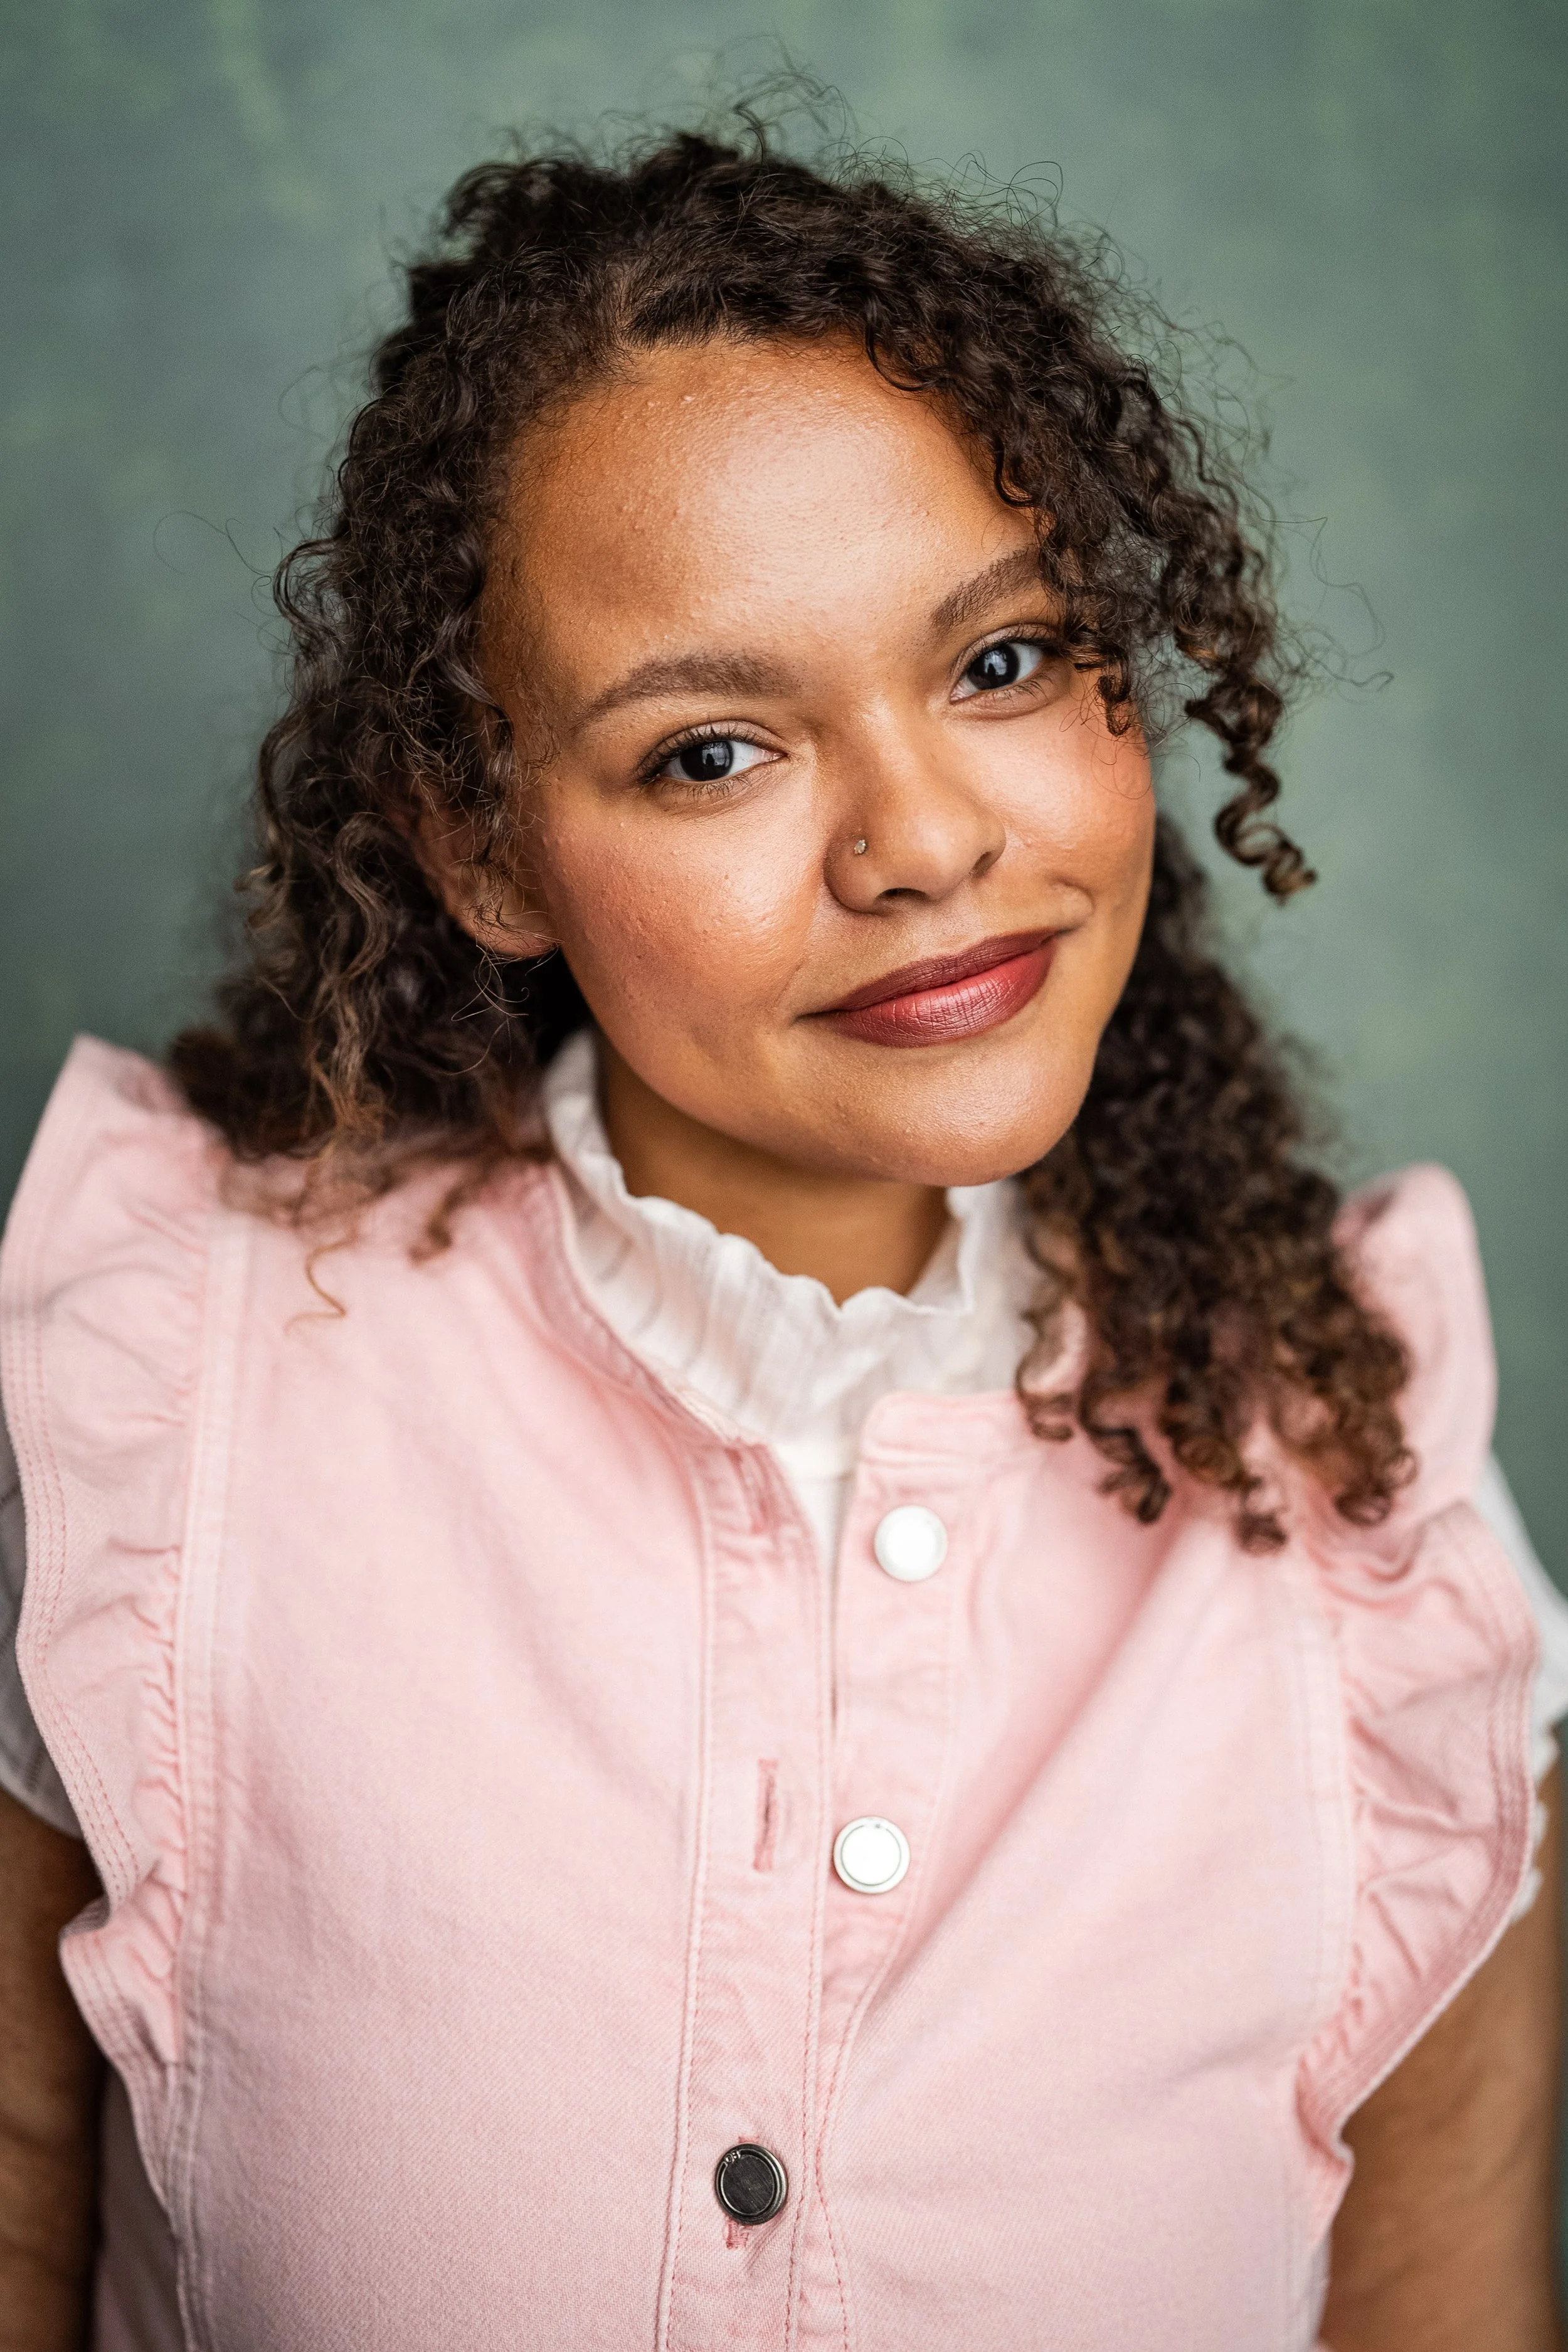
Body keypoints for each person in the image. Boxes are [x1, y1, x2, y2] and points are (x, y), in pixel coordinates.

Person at [0, 122, 1564, 2352]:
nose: (927, 838)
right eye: (715, 750)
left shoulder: (1368, 1492)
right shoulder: (162, 1406)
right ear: (483, 847)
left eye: (1006, 659)